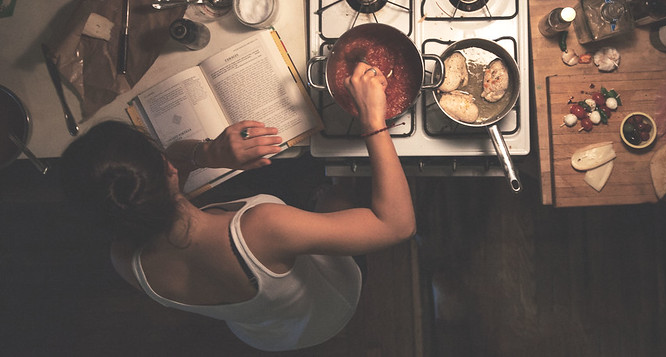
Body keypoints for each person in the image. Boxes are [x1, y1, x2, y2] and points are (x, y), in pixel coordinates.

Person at [59, 62, 415, 351]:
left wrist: (208, 154)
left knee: (324, 199)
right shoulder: (262, 227)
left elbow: (161, 174)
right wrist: (372, 120)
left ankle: (326, 196)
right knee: (339, 196)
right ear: (168, 171)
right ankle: (331, 193)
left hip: (271, 333)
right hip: (331, 303)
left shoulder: (124, 258)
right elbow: (396, 224)